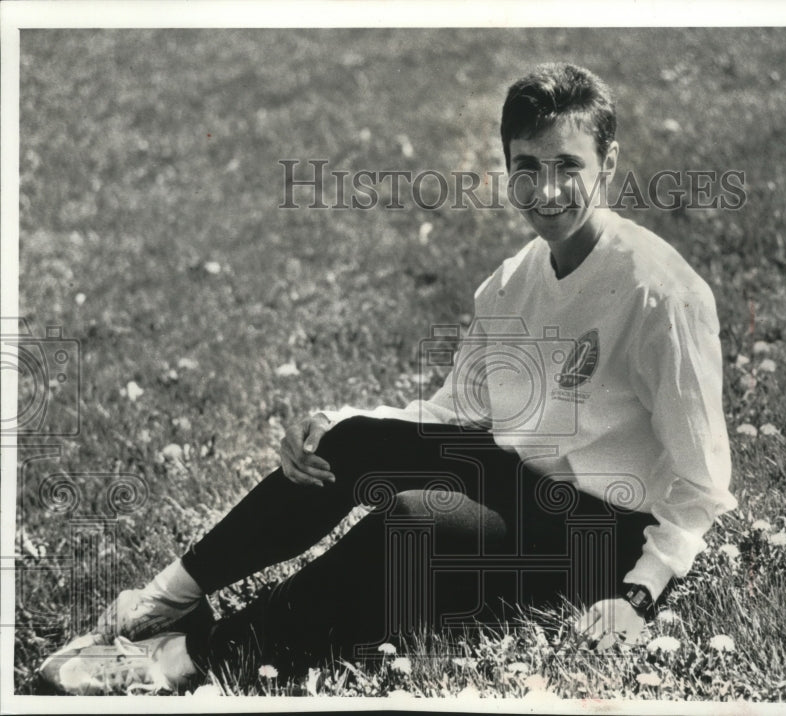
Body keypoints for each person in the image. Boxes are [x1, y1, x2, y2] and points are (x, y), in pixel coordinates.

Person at [39, 62, 737, 694]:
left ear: (608, 165)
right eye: (527, 165)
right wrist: (338, 425)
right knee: (347, 443)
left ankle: (185, 660)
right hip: (527, 486)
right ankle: (169, 598)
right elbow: (457, 409)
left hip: (603, 536)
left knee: (411, 522)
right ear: (506, 167)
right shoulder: (514, 281)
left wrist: (639, 592)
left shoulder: (661, 293)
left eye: (568, 165)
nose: (546, 189)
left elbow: (701, 482)